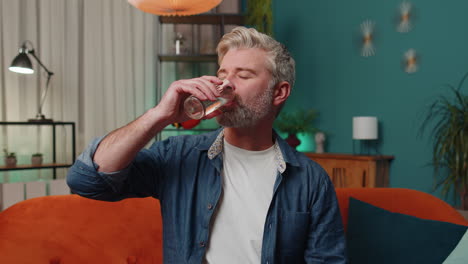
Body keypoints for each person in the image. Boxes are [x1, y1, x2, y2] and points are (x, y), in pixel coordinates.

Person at [67, 26, 346, 264]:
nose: (225, 84)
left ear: (279, 92)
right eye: (222, 73)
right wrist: (159, 115)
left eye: (243, 75)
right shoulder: (177, 155)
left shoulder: (311, 180)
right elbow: (87, 180)